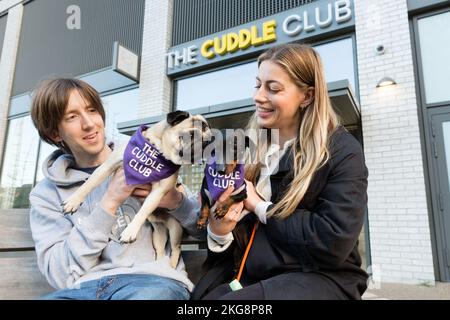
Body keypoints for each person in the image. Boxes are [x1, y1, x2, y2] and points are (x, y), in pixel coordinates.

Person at [192, 43, 369, 300]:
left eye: (273, 88)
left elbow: (333, 241)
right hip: (253, 274)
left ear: (307, 96)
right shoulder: (245, 151)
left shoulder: (342, 151)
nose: (259, 96)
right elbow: (232, 246)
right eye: (258, 85)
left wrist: (258, 205)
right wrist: (218, 231)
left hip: (323, 277)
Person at [29, 78, 203, 300]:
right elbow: (60, 274)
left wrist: (174, 201)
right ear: (55, 134)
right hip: (85, 290)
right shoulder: (46, 195)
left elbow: (203, 231)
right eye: (72, 117)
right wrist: (109, 202)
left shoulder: (148, 157)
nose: (89, 123)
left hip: (153, 282)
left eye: (92, 111)